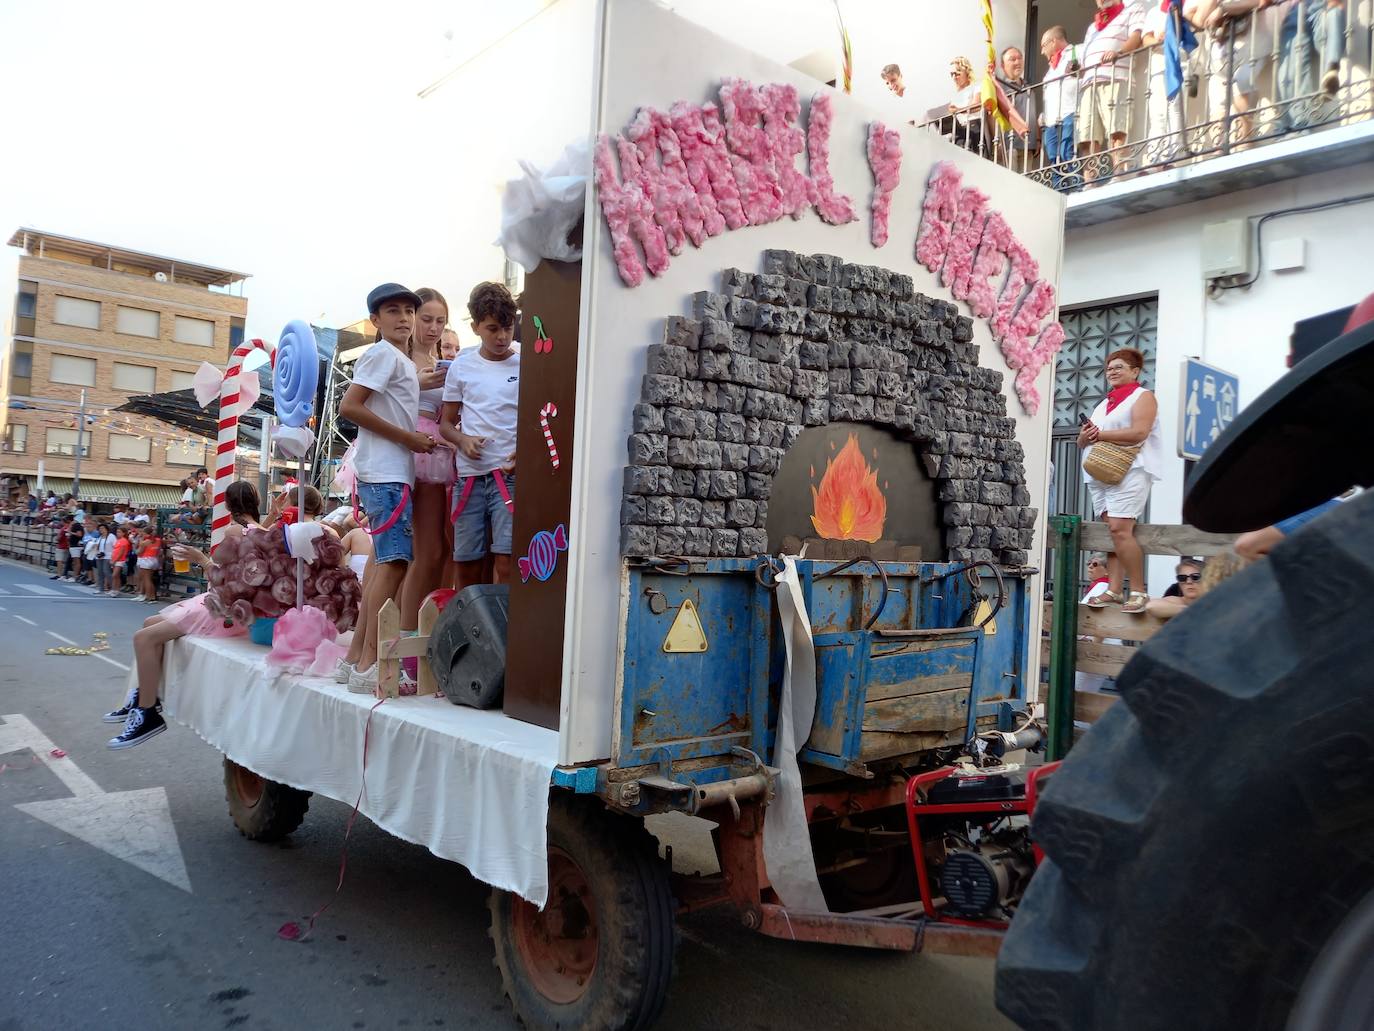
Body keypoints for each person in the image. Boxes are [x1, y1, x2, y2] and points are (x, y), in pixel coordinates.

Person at [105, 482, 264, 748]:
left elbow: (225, 577)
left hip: (222, 605)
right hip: (232, 603)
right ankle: (146, 695)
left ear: (227, 505)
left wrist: (200, 558)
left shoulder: (235, 529)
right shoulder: (263, 530)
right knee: (149, 623)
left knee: (143, 638)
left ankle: (146, 715)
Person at [337, 283, 436, 694]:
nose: (404, 318)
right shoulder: (380, 354)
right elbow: (350, 406)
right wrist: (408, 439)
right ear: (375, 321)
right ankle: (368, 665)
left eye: (409, 311)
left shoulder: (397, 361)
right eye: (392, 311)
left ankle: (354, 662)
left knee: (383, 564)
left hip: (389, 473)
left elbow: (408, 390)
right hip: (386, 473)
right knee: (394, 564)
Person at [440, 281, 521, 594]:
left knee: (507, 561)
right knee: (466, 561)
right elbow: (446, 424)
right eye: (492, 329)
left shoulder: (528, 361)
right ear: (475, 327)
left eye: (508, 327)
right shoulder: (462, 366)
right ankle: (471, 631)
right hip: (470, 479)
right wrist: (463, 441)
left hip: (509, 477)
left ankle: (506, 636)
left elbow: (540, 417)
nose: (501, 337)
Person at [397, 288, 458, 667]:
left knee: (434, 553)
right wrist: (416, 384)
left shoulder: (440, 360)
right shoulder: (398, 359)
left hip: (438, 451)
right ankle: (404, 648)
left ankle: (416, 638)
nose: (434, 328)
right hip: (410, 452)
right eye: (427, 319)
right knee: (416, 554)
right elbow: (369, 404)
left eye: (440, 321)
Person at [1078, 347, 1163, 614]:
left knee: (1120, 529)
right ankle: (1113, 590)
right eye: (1109, 368)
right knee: (1111, 532)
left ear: (1135, 371)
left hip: (1131, 469)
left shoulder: (1143, 396)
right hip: (1098, 472)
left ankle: (1138, 590)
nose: (1111, 372)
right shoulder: (1103, 403)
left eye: (1119, 367)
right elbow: (1082, 440)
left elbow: (1139, 432)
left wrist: (1100, 435)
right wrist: (1088, 435)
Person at [1077, 0, 1145, 184]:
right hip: (1089, 83)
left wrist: (1119, 52)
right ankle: (1090, 180)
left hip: (1117, 77)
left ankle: (1119, 173)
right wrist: (1076, 67)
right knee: (1087, 135)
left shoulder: (1132, 9)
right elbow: (1084, 58)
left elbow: (1136, 37)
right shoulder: (1093, 26)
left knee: (1117, 129)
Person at [1274, 0, 1347, 129]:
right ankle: (1297, 124)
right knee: (1289, 73)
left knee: (1333, 15)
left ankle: (1331, 69)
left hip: (1320, 5)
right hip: (1293, 12)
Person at [1139, 1, 1190, 165]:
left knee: (1176, 109)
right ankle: (1156, 158)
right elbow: (1146, 40)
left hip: (1180, 64)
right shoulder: (1154, 12)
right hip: (1158, 67)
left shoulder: (1186, 5)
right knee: (1157, 114)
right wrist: (1158, 40)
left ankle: (1177, 155)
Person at [996, 47, 1039, 171]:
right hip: (1009, 144)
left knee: (1026, 185)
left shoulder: (1029, 87)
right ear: (1003, 66)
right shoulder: (1000, 88)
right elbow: (994, 115)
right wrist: (997, 141)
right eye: (1012, 59)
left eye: (1019, 58)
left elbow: (1032, 113)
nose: (1017, 62)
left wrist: (1038, 138)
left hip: (1028, 144)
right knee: (1011, 183)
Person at [948, 56, 985, 153]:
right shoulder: (955, 96)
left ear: (966, 71)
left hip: (974, 130)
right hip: (960, 133)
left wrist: (958, 110)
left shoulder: (976, 86)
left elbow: (976, 105)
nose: (954, 77)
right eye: (951, 74)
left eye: (957, 73)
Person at [136, 527, 161, 603]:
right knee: (150, 579)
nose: (142, 534)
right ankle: (152, 596)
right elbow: (158, 551)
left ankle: (149, 596)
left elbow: (139, 552)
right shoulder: (158, 540)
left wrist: (140, 542)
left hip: (146, 560)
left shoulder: (145, 542)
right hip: (154, 559)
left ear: (146, 534)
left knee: (147, 580)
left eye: (143, 533)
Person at [109, 526, 130, 596]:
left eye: (119, 532)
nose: (118, 533)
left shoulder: (124, 541)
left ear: (124, 533)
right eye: (117, 532)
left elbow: (121, 553)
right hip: (115, 560)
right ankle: (115, 589)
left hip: (120, 560)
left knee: (114, 575)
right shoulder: (118, 540)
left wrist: (114, 560)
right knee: (116, 576)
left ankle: (116, 590)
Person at [50, 516, 72, 580]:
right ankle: (64, 574)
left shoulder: (63, 529)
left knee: (59, 561)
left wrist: (56, 537)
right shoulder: (69, 528)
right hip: (67, 547)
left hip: (61, 546)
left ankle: (59, 574)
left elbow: (59, 538)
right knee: (65, 561)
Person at [95, 523, 115, 595]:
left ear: (106, 529)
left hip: (108, 556)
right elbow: (97, 546)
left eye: (102, 528)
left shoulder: (111, 536)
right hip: (100, 556)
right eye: (100, 529)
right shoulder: (100, 537)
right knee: (100, 573)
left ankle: (113, 588)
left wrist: (113, 557)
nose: (101, 530)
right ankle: (101, 589)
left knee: (107, 572)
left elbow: (115, 546)